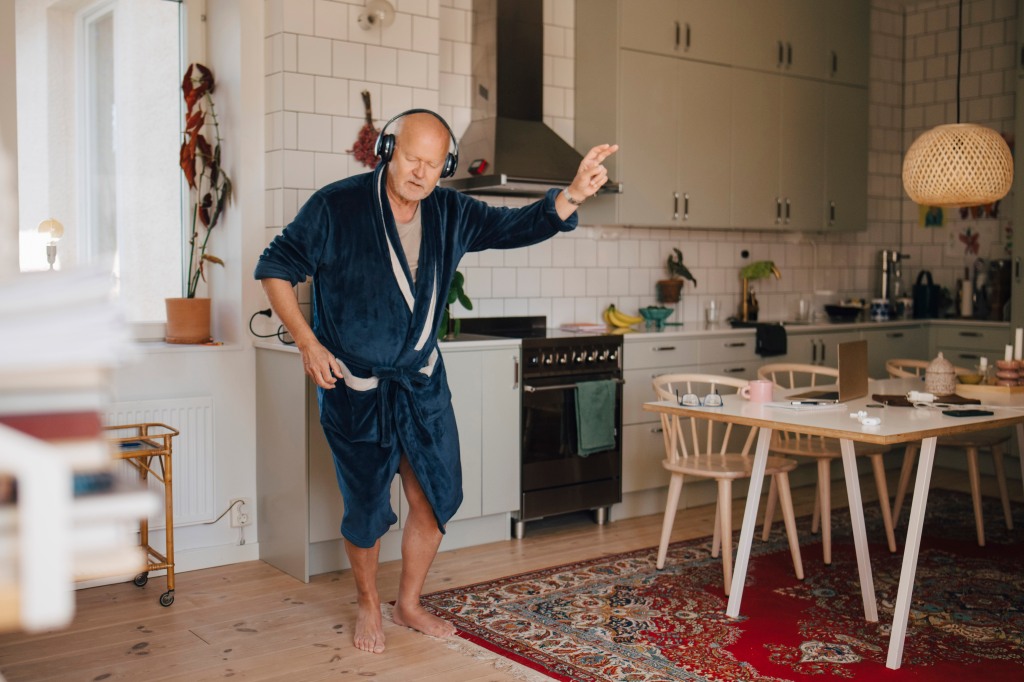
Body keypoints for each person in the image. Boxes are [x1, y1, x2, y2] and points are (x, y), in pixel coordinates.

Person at [254, 108, 617, 654]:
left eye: (433, 165)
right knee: (367, 508)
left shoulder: (449, 210)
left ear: (446, 165)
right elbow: (274, 266)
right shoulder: (337, 205)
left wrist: (570, 195)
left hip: (421, 385)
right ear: (387, 150)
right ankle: (368, 604)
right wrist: (309, 342)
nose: (421, 174)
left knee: (432, 498)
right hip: (357, 388)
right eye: (411, 159)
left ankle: (409, 602)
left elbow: (514, 226)